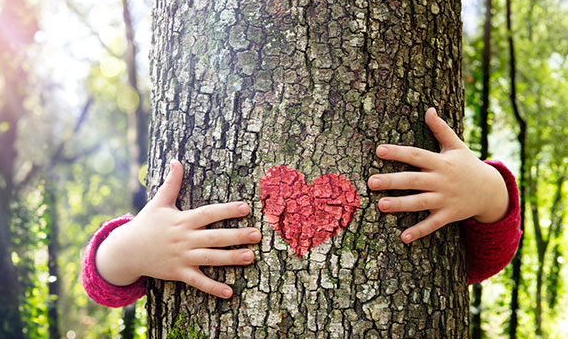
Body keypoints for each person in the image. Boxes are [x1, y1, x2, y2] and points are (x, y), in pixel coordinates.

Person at [82, 108, 521, 308]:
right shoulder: (166, 238)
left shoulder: (444, 196)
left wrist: (486, 189)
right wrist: (131, 248)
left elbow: (482, 259)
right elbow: (102, 280)